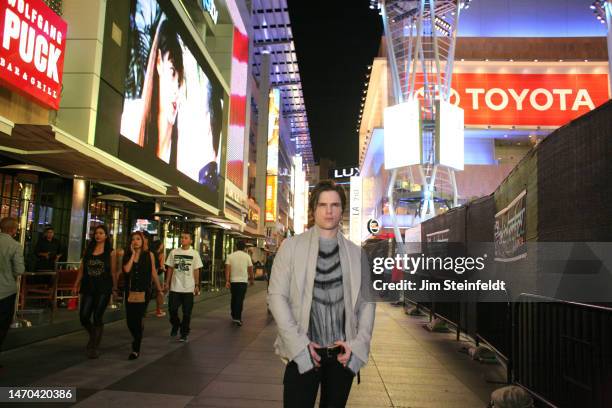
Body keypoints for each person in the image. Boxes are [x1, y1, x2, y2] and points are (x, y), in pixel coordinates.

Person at [268, 180, 376, 408]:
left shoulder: (357, 255)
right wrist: (298, 345)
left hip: (342, 356)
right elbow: (277, 296)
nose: (329, 211)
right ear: (313, 209)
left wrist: (358, 346)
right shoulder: (291, 247)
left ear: (342, 209)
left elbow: (367, 303)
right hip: (303, 350)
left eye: (335, 205)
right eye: (323, 205)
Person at [138, 18, 185, 165]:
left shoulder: (184, 160)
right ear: (159, 62)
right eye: (172, 72)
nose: (177, 90)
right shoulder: (130, 122)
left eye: (180, 80)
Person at [72, 225, 118, 359]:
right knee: (84, 316)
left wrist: (115, 288)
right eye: (96, 233)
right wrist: (76, 284)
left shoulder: (111, 252)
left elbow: (113, 272)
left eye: (101, 233)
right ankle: (94, 334)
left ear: (106, 236)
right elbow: (82, 269)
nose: (97, 235)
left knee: (97, 315)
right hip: (88, 285)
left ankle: (94, 345)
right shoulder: (88, 249)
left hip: (103, 286)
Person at [122, 231, 163, 360]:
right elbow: (126, 270)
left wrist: (159, 289)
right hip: (130, 292)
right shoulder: (128, 254)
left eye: (138, 239)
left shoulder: (149, 255)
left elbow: (153, 273)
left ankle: (136, 348)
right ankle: (137, 336)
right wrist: (133, 254)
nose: (135, 241)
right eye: (133, 239)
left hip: (144, 292)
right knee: (130, 321)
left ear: (143, 241)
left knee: (138, 318)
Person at [164, 232, 202, 342]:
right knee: (172, 310)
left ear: (191, 241)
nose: (183, 239)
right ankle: (176, 325)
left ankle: (184, 333)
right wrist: (167, 282)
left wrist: (196, 285)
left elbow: (196, 270)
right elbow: (170, 268)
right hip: (175, 287)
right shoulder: (174, 252)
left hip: (188, 288)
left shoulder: (194, 254)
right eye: (182, 237)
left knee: (187, 312)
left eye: (186, 238)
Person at [0, 217, 25, 362]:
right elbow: (19, 269)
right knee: (2, 324)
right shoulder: (15, 245)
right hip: (6, 291)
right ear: (13, 230)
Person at [224, 241, 254, 326]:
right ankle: (237, 317)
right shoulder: (247, 256)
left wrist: (227, 281)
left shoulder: (230, 256)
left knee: (234, 298)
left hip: (233, 281)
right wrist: (252, 279)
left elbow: (227, 269)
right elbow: (250, 268)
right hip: (243, 281)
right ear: (244, 248)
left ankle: (234, 315)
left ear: (236, 247)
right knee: (240, 299)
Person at [143, 232, 166, 317]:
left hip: (150, 275)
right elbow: (161, 265)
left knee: (148, 292)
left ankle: (144, 311)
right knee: (159, 292)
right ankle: (158, 310)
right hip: (158, 274)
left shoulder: (151, 251)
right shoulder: (159, 254)